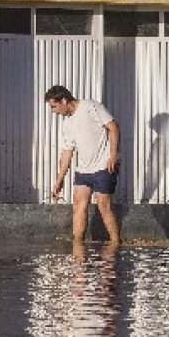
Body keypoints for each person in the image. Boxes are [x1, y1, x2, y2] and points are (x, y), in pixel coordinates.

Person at [45, 85, 120, 243]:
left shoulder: (90, 106)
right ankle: (77, 245)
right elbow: (67, 153)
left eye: (54, 106)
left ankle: (115, 243)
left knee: (103, 204)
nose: (53, 111)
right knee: (78, 204)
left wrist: (113, 155)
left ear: (64, 101)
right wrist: (59, 181)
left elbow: (113, 127)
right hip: (83, 169)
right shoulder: (67, 124)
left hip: (103, 165)